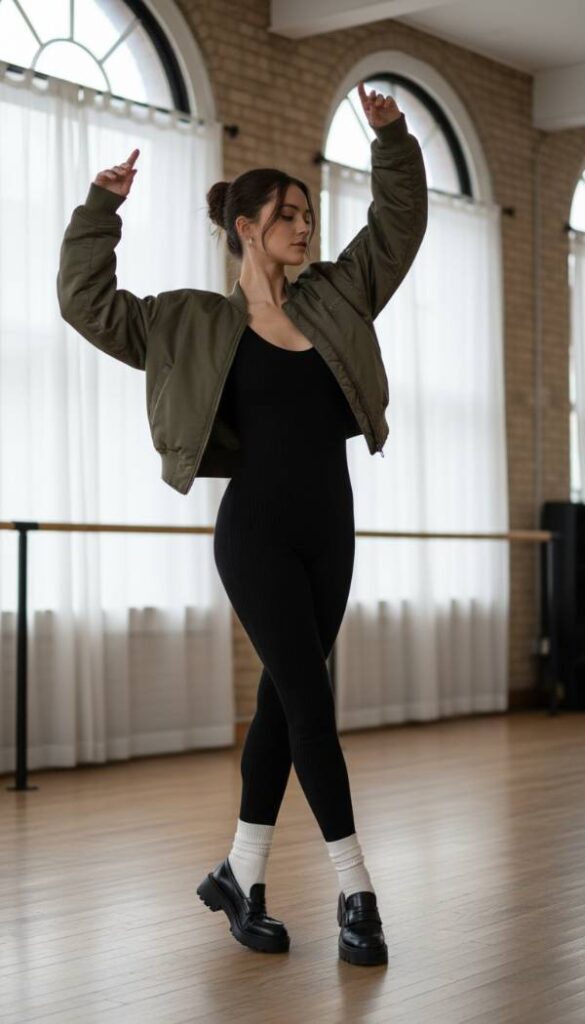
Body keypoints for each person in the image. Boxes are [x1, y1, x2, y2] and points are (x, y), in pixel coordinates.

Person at [57, 81, 427, 968]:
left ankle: (239, 874)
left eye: (308, 215)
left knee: (279, 705)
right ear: (246, 229)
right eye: (287, 215)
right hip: (254, 533)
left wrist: (391, 142)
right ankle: (356, 890)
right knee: (309, 703)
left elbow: (396, 229)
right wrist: (100, 210)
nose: (304, 227)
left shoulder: (335, 297)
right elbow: (85, 302)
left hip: (331, 528)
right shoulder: (189, 321)